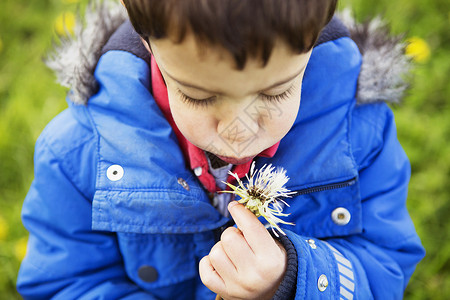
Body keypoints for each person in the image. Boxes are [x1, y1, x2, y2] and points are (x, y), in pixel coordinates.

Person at [17, 0, 425, 299]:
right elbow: (65, 283)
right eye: (198, 96)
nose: (238, 132)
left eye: (276, 91)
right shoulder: (79, 153)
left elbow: (386, 265)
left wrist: (293, 276)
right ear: (149, 41)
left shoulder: (357, 136)